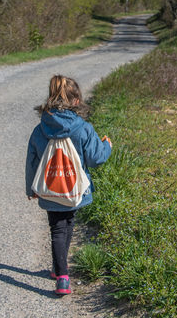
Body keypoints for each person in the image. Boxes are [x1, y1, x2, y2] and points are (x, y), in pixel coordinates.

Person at [26, 74, 112, 295]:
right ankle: (62, 275)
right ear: (75, 101)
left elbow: (32, 160)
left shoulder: (40, 129)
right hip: (74, 189)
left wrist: (31, 188)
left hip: (50, 188)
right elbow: (96, 159)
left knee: (57, 228)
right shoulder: (83, 128)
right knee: (69, 222)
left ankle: (59, 270)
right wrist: (107, 146)